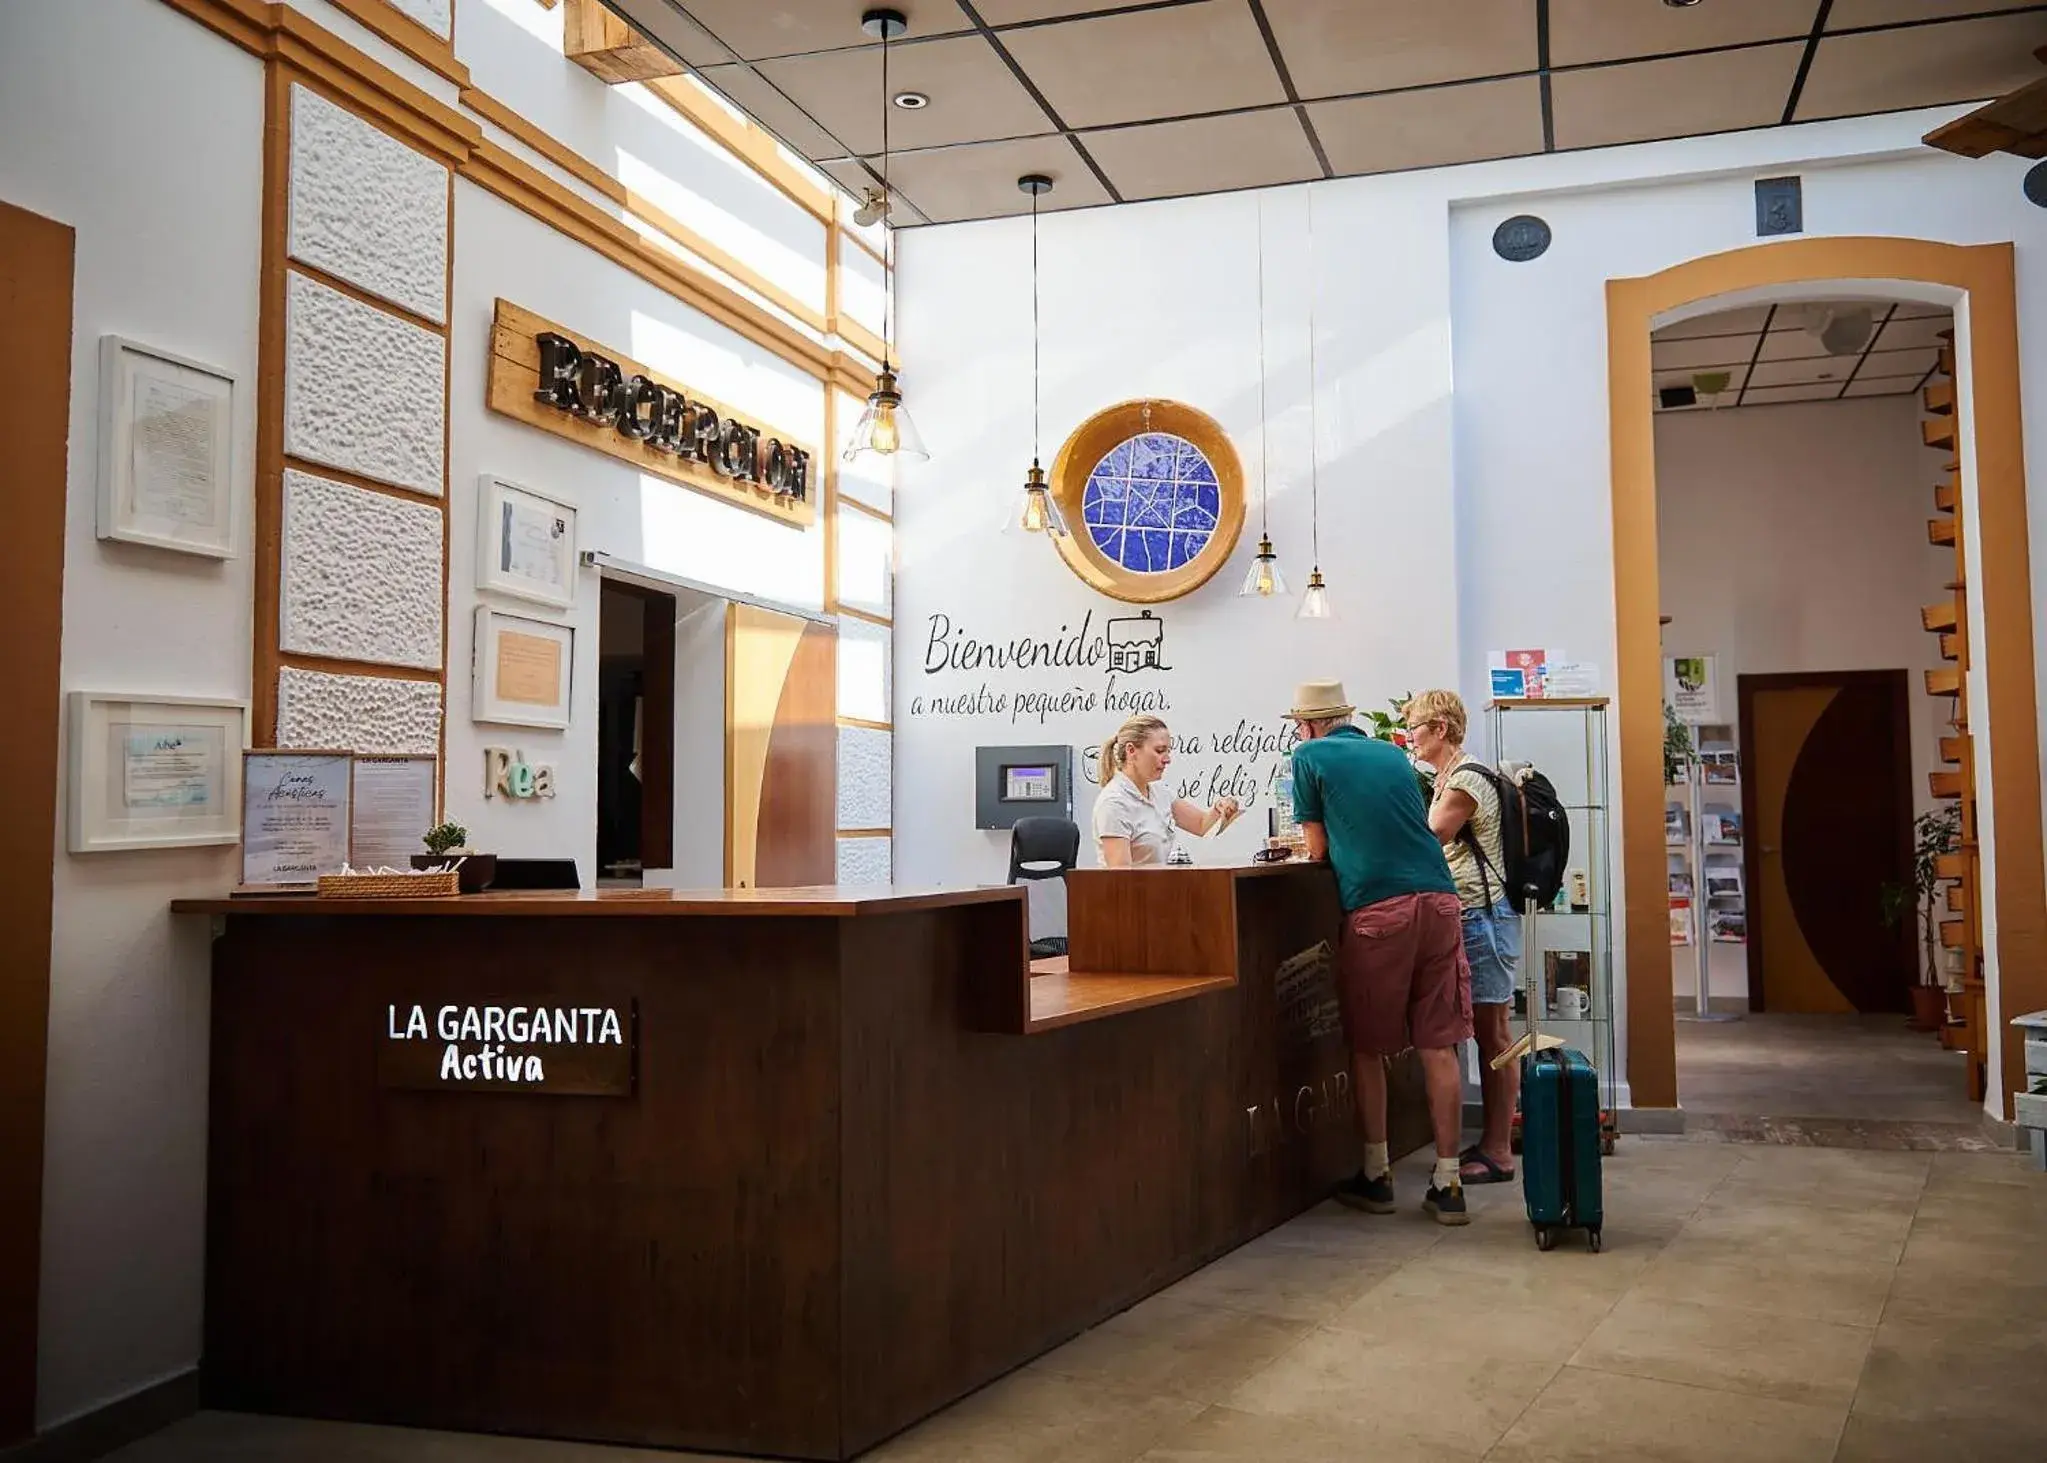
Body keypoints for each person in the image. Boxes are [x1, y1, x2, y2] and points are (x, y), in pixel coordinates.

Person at [1286, 680, 1472, 1226]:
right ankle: (1449, 1182)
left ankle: (1377, 1173)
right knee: (1438, 1046)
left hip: (1378, 909)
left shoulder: (1308, 755)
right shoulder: (1394, 755)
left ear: (1307, 724)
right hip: (1440, 902)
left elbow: (1317, 849)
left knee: (1368, 1047)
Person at [1405, 690, 1522, 1188]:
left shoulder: (1466, 779)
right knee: (1486, 1031)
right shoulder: (1453, 776)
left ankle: (1498, 1149)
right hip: (1476, 916)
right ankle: (1493, 1142)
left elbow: (1431, 837)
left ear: (1441, 730)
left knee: (1494, 1033)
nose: (1410, 735)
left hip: (1483, 916)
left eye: (1415, 727)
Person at [1093, 715, 1241, 867]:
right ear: (1131, 751)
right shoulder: (1114, 803)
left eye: (1167, 751)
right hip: (1136, 890)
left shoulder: (1160, 792)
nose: (1167, 759)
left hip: (1161, 887)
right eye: (1159, 751)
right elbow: (1120, 876)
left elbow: (1201, 825)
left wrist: (1220, 810)